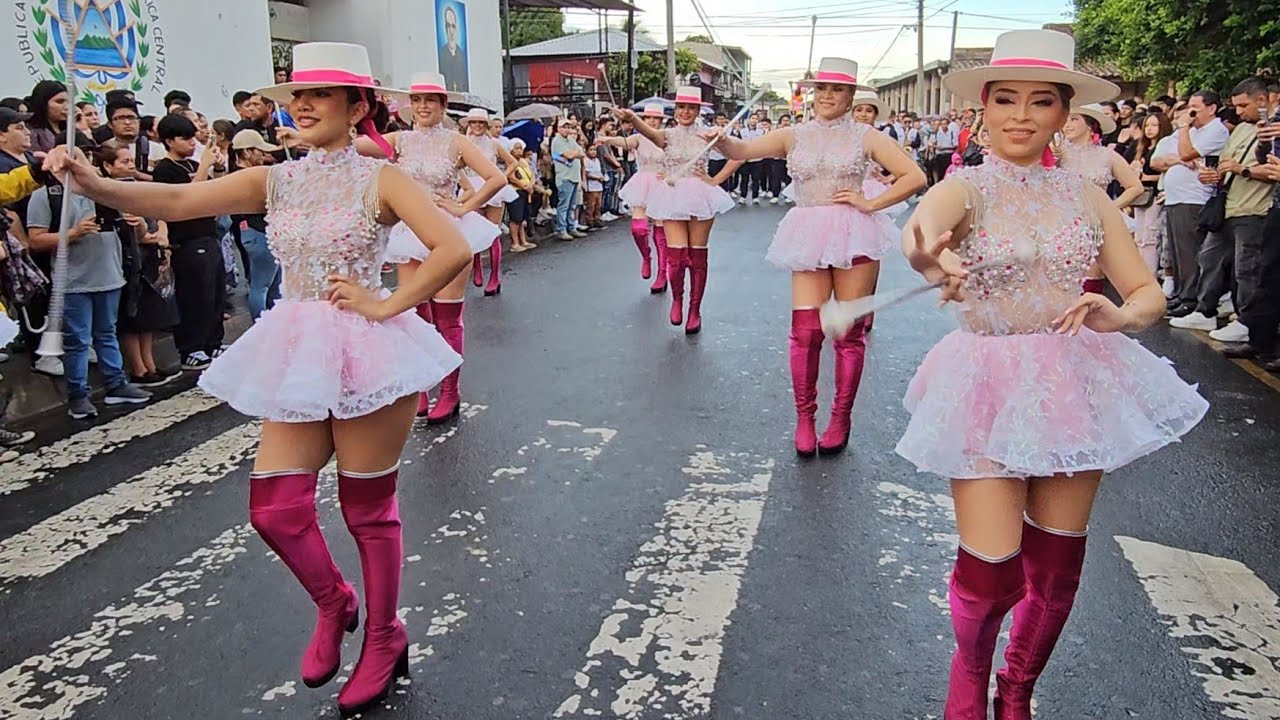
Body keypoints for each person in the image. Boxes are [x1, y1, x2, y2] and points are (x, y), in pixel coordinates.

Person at [43, 42, 472, 717]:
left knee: (366, 510)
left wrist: (387, 304)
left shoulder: (381, 179)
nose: (300, 105)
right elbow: (179, 198)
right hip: (298, 346)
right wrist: (92, 185)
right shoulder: (274, 179)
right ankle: (337, 602)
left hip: (368, 346)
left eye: (319, 95)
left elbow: (452, 246)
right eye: (293, 94)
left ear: (356, 106)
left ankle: (385, 638)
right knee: (275, 510)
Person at [894, 30, 1208, 719]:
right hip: (986, 382)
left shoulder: (1088, 196)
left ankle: (1017, 691)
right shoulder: (966, 187)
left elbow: (1147, 292)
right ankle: (968, 680)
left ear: (1065, 114)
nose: (1021, 115)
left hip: (1074, 378)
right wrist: (933, 261)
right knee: (989, 571)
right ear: (982, 111)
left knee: (1057, 571)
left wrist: (1122, 316)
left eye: (1041, 101)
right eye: (1005, 99)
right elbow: (920, 231)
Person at [709, 59, 925, 455]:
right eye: (821, 87)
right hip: (809, 232)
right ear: (812, 92)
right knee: (806, 331)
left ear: (851, 95)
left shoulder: (867, 136)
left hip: (855, 232)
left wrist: (870, 203)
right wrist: (721, 141)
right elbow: (742, 149)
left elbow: (915, 177)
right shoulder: (793, 134)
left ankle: (840, 417)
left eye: (837, 89)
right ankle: (805, 418)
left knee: (847, 332)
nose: (827, 95)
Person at [359, 72, 505, 422]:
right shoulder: (398, 140)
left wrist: (463, 207)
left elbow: (496, 178)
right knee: (413, 314)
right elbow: (351, 145)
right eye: (417, 100)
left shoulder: (457, 142)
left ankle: (450, 390)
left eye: (431, 100)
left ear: (443, 105)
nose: (423, 106)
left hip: (449, 232)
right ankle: (422, 388)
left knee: (446, 316)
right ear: (409, 105)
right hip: (409, 233)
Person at [27, 134, 153, 418]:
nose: (85, 162)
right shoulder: (45, 196)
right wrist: (72, 234)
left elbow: (138, 229)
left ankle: (116, 384)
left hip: (110, 274)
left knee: (107, 333)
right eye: (78, 156)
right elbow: (35, 240)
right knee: (78, 341)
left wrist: (139, 223)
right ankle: (78, 395)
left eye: (88, 157)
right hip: (72, 282)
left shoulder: (106, 191)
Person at [615, 87, 739, 334]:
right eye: (682, 107)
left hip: (701, 196)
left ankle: (695, 309)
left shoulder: (708, 134)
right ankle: (677, 300)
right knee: (677, 256)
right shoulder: (667, 135)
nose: (685, 112)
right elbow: (646, 131)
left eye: (691, 107)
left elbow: (739, 156)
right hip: (672, 195)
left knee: (698, 257)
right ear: (676, 109)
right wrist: (632, 118)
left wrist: (715, 180)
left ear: (698, 110)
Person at [1058, 103, 1145, 292]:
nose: (1067, 124)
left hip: (1095, 221)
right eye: (1066, 119)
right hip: (1062, 220)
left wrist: (1110, 207)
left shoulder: (1107, 155)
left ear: (1091, 125)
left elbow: (1135, 187)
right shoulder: (1058, 153)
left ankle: (1090, 318)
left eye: (1074, 119)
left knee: (1091, 273)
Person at [600, 103, 680, 293]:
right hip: (643, 182)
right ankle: (646, 257)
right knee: (638, 229)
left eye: (656, 118)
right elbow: (623, 142)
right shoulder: (638, 137)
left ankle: (662, 274)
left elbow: (680, 161)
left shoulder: (668, 137)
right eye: (649, 118)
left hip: (662, 183)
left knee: (661, 233)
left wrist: (671, 175)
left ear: (662, 120)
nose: (652, 121)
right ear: (643, 120)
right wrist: (605, 138)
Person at [459, 108, 517, 296]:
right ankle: (476, 265)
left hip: (492, 188)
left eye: (480, 123)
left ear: (486, 125)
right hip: (472, 187)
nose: (476, 126)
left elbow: (513, 162)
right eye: (473, 122)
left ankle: (494, 276)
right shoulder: (463, 143)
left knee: (493, 233)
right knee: (473, 230)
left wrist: (501, 177)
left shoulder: (493, 144)